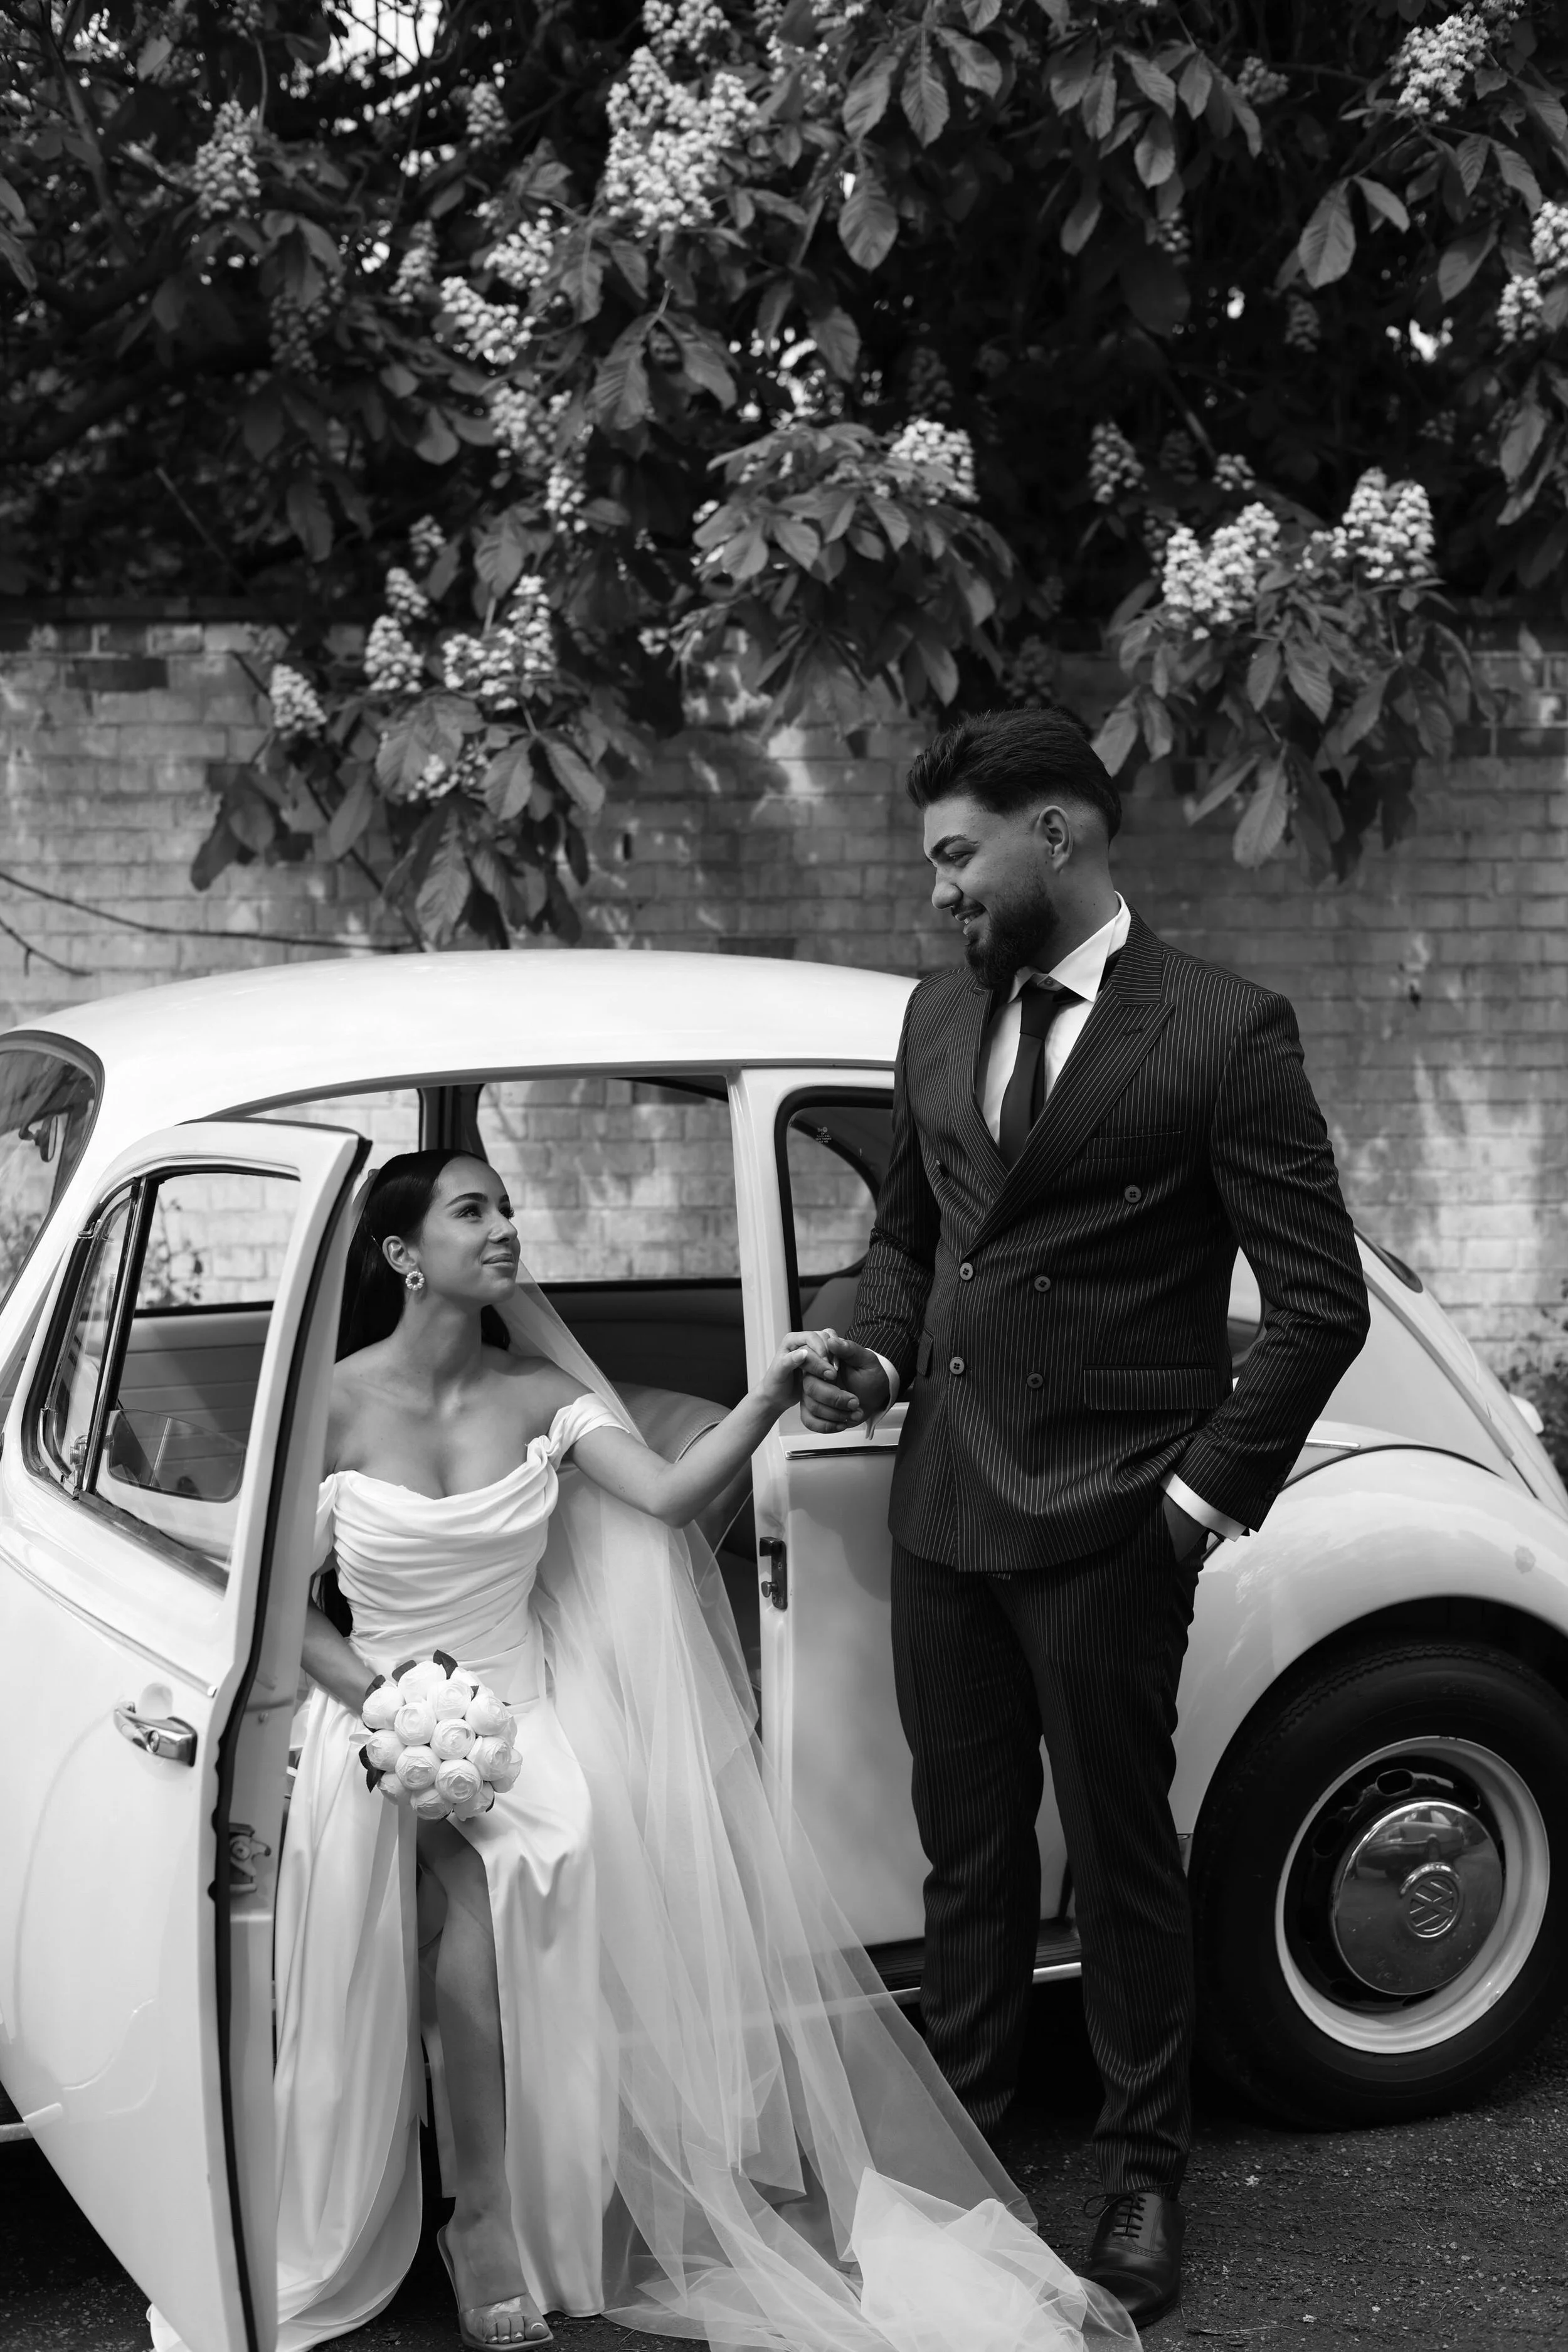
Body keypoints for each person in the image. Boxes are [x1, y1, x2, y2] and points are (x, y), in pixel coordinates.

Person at [151, 1147, 1139, 2352]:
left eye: (510, 1205)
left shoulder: (537, 1398)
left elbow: (670, 1497)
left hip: (525, 1718)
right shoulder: (337, 1406)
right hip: (378, 1714)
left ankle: (497, 2215)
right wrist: (382, 1697)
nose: (506, 1227)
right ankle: (479, 2216)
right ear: (405, 1255)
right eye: (474, 1211)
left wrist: (768, 1400)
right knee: (453, 1896)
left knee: (513, 1873)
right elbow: (280, 1604)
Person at [802, 706, 1370, 2328]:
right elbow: (913, 1236)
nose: (938, 895)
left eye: (956, 855)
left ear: (1057, 834)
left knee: (1122, 1857)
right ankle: (964, 2152)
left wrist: (1191, 1506)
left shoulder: (1219, 1026)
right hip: (944, 1503)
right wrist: (862, 1336)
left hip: (1116, 1516)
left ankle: (1140, 2165)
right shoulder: (931, 1016)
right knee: (964, 1855)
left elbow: (1317, 1304)